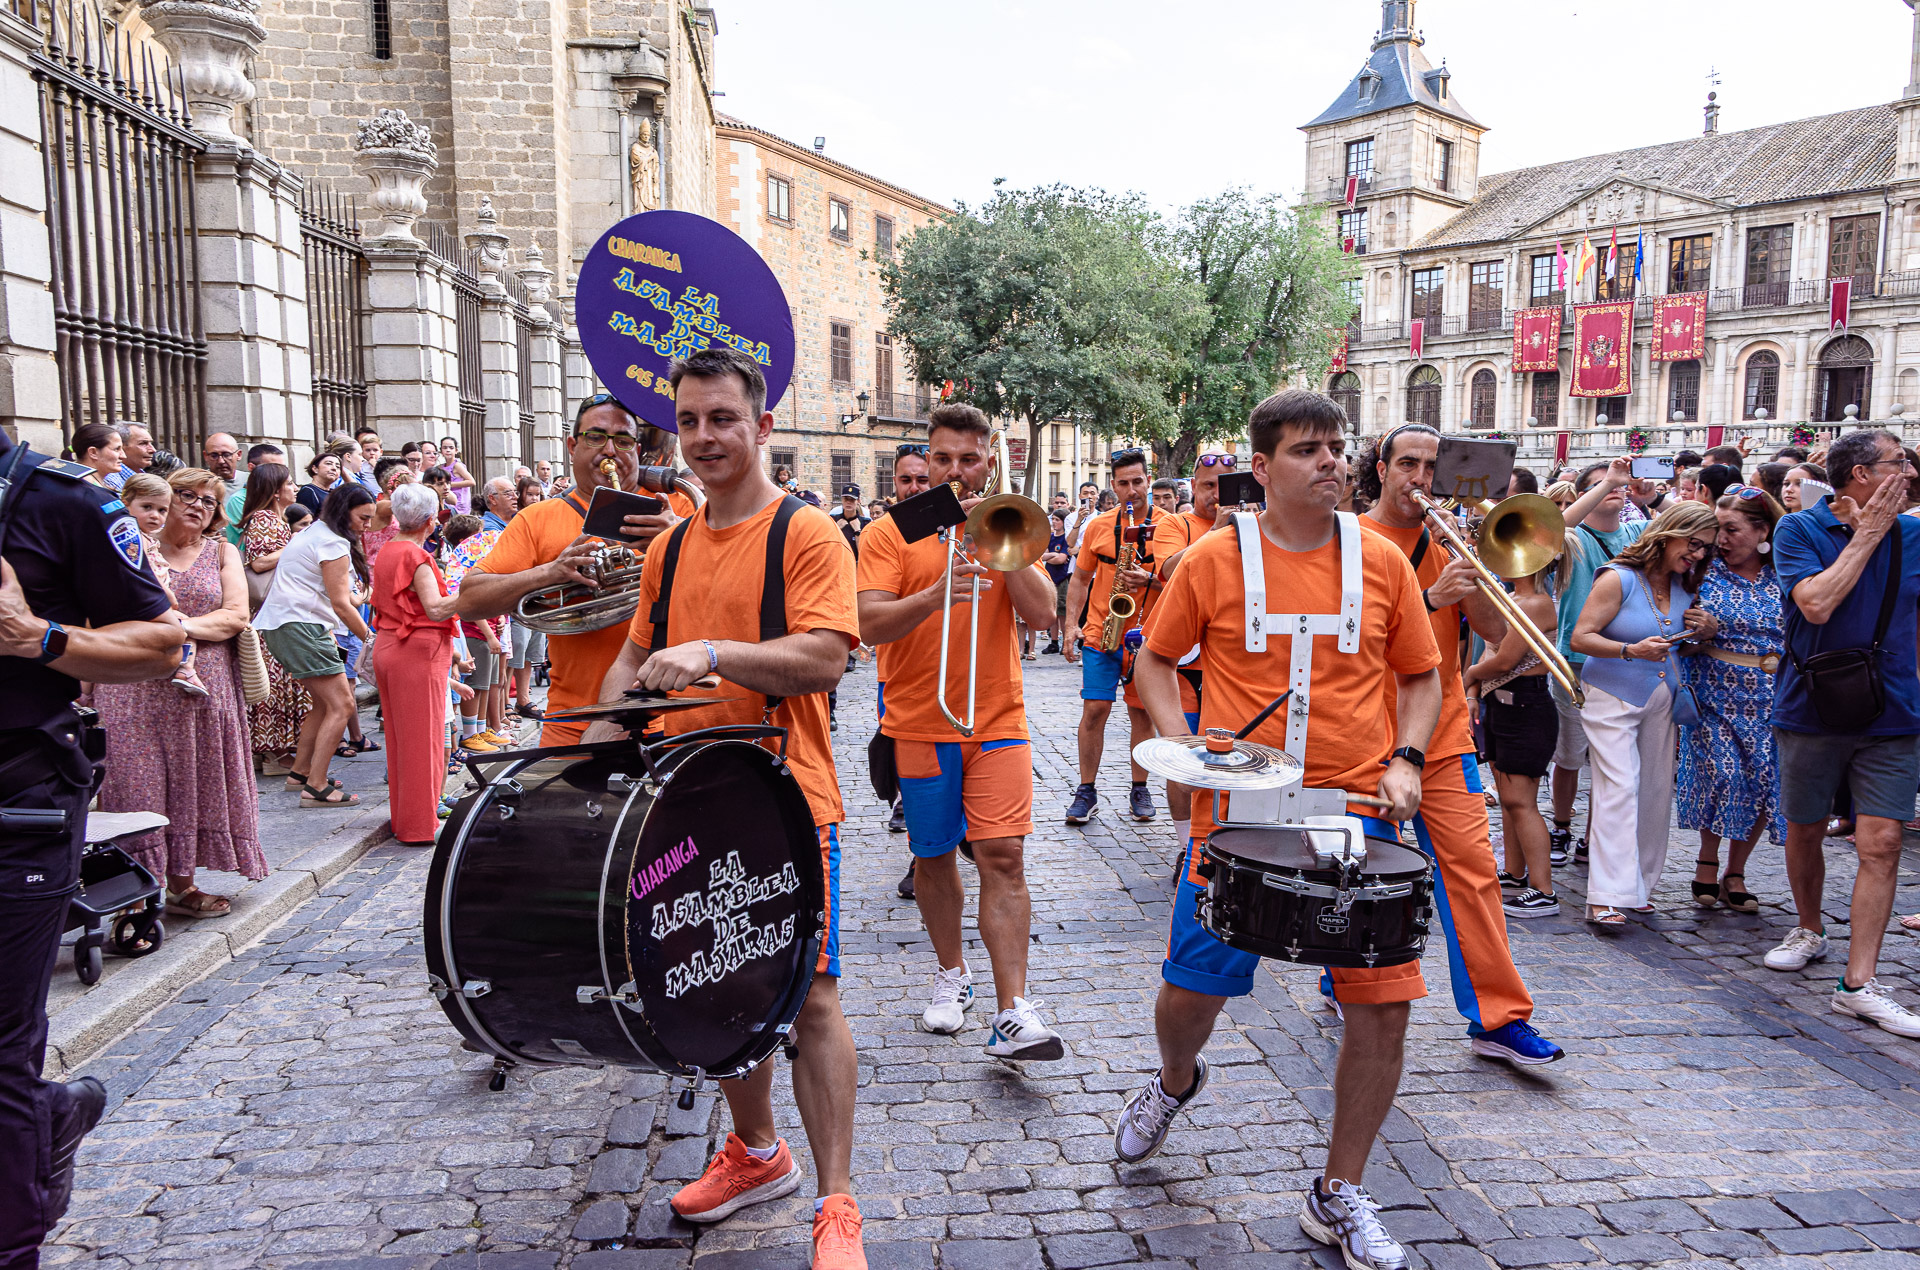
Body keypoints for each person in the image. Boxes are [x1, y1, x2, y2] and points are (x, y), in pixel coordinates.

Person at [1118, 388, 1440, 1270]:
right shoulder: (1213, 561)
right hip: (1238, 818)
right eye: (1307, 449)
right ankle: (1176, 1081)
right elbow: (1151, 656)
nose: (1331, 461)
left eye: (1337, 446)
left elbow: (1419, 676)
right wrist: (1177, 742)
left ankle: (1337, 1191)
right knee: (1193, 995)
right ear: (1262, 469)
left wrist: (1407, 757)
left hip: (1356, 819)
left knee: (1385, 1009)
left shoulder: (1384, 562)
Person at [582, 346, 867, 1268]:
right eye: (692, 421)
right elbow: (635, 654)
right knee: (717, 987)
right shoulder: (668, 546)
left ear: (762, 427)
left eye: (723, 419)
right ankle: (755, 1153)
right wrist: (602, 733)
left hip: (786, 802)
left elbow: (825, 656)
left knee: (809, 998)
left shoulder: (806, 534)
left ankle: (837, 1204)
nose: (705, 437)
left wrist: (715, 651)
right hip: (684, 801)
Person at [0, 425, 183, 1268]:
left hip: (17, 808)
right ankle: (53, 1115)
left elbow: (160, 644)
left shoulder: (58, 500)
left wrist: (35, 638)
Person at [858, 403, 1066, 1062]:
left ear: (987, 462)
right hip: (918, 723)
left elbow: (1044, 616)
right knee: (933, 857)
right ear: (928, 460)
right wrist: (933, 595)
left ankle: (1013, 1010)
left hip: (998, 720)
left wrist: (1001, 546)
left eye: (969, 459)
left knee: (1003, 855)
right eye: (943, 459)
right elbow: (869, 624)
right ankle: (953, 974)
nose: (956, 471)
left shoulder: (1000, 524)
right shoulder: (894, 532)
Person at [1356, 425, 1560, 1064]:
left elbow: (1500, 634)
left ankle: (1500, 1017)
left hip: (1442, 735)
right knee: (1368, 877)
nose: (1419, 478)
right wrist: (1424, 598)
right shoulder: (1350, 540)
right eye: (1407, 464)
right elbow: (1348, 638)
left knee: (1473, 874)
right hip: (1364, 735)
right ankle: (1350, 981)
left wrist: (1481, 577)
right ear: (1382, 469)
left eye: (1430, 467)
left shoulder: (1449, 543)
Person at [1761, 430, 1920, 1036]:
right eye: (1895, 464)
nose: (1907, 473)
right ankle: (1808, 925)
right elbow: (1818, 605)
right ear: (1858, 474)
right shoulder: (1798, 530)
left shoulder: (1915, 535)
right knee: (1802, 827)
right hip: (1813, 706)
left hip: (1894, 712)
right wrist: (1868, 536)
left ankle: (1858, 983)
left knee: (1881, 842)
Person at [458, 394, 683, 746]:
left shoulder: (673, 508)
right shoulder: (538, 518)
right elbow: (470, 600)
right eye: (596, 437)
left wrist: (679, 537)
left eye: (623, 440)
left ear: (637, 450)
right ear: (572, 446)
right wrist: (550, 572)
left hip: (673, 720)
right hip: (572, 720)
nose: (610, 451)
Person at [93, 467, 262, 921]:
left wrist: (174, 628)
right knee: (135, 786)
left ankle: (182, 883)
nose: (197, 505)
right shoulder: (127, 549)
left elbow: (234, 617)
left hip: (201, 691)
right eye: (185, 494)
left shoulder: (221, 552)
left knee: (195, 783)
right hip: (132, 688)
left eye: (208, 500)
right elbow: (99, 615)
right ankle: (132, 895)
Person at [1569, 501, 1718, 929]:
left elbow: (1678, 644)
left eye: (1705, 548)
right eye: (1693, 544)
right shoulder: (1619, 578)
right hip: (1611, 691)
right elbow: (1580, 636)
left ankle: (1638, 886)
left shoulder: (1685, 584)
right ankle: (1605, 895)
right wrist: (1627, 650)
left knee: (1654, 792)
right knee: (1618, 786)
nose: (1698, 554)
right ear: (1669, 533)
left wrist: (1702, 633)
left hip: (1662, 695)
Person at [1061, 449, 1195, 824]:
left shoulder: (1170, 525)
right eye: (1124, 483)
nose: (1132, 490)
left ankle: (1140, 787)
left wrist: (1151, 579)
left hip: (1149, 635)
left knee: (1142, 714)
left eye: (1138, 482)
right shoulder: (1100, 526)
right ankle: (1086, 790)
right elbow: (1081, 579)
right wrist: (1072, 625)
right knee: (1094, 710)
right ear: (1113, 486)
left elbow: (1182, 581)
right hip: (1103, 631)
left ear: (1148, 481)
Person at [1677, 487, 1786, 914]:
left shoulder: (1784, 571)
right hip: (1712, 690)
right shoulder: (1702, 573)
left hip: (1770, 693)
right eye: (1717, 529)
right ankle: (1707, 860)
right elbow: (1674, 636)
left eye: (1732, 529)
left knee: (1761, 783)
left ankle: (1735, 871)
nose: (1721, 539)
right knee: (1723, 775)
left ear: (1762, 531)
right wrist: (1698, 634)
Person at [1545, 458, 1647, 864]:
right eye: (1602, 485)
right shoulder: (1574, 539)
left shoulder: (1637, 532)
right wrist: (1606, 484)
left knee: (1611, 759)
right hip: (1575, 659)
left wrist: (1644, 492)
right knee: (1569, 755)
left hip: (1625, 661)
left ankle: (1593, 836)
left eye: (1619, 485)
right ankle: (1562, 825)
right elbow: (1555, 529)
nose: (1617, 488)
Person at [252, 484, 377, 807]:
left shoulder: (314, 534)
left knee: (324, 705)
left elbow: (341, 596)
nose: (367, 525)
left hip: (288, 624)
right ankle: (317, 787)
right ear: (344, 510)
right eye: (363, 517)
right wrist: (370, 638)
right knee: (343, 705)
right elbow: (340, 603)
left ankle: (301, 773)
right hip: (301, 626)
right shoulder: (332, 541)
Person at [1466, 550, 1561, 917]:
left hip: (1527, 708)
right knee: (1509, 800)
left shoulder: (1537, 603)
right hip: (1505, 707)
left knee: (1522, 802)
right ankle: (1515, 874)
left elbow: (1505, 661)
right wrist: (1475, 689)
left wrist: (1471, 677)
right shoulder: (1513, 597)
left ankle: (1544, 890)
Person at [368, 484, 460, 844]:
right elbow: (435, 608)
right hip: (416, 651)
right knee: (424, 739)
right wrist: (468, 593)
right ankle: (419, 826)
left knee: (402, 739)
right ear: (431, 519)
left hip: (393, 647)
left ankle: (406, 819)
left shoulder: (390, 549)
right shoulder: (416, 557)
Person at [237, 462, 310, 771]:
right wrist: (295, 545)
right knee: (277, 683)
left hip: (275, 610)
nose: (295, 488)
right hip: (271, 612)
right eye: (290, 483)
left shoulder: (270, 519)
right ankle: (276, 752)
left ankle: (273, 750)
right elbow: (259, 563)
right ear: (276, 490)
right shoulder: (266, 520)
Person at [224, 443, 285, 545]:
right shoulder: (238, 500)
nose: (282, 474)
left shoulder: (281, 495)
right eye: (273, 468)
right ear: (251, 468)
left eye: (283, 468)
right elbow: (263, 541)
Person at [1041, 513, 1071, 655]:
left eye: (1057, 520)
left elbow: (1061, 559)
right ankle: (1054, 642)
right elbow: (1042, 556)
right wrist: (1053, 555)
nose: (1054, 522)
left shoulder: (1066, 538)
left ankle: (1066, 641)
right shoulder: (1050, 538)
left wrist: (1052, 556)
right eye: (1053, 519)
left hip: (1062, 577)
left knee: (1062, 612)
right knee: (1052, 612)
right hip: (1050, 577)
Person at [103, 422, 155, 492]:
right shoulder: (111, 481)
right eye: (143, 443)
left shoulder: (143, 477)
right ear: (120, 446)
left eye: (150, 443)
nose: (153, 450)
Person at [68, 422, 123, 487]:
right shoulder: (85, 489)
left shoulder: (92, 485)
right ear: (93, 452)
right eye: (116, 449)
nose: (123, 456)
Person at [296, 449, 345, 515]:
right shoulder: (309, 491)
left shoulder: (335, 493)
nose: (334, 468)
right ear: (315, 469)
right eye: (328, 464)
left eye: (338, 467)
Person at [439, 436, 476, 513]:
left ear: (456, 450)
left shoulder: (457, 465)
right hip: (447, 502)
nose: (448, 450)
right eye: (445, 448)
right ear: (441, 451)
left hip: (459, 504)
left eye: (451, 448)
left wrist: (449, 484)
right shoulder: (440, 467)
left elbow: (471, 481)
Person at [201, 432, 243, 498]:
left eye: (226, 455)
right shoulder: (199, 485)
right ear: (205, 456)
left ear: (239, 454)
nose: (221, 461)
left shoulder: (251, 481)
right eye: (214, 456)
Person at [832, 484, 868, 557]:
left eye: (852, 499)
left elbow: (865, 553)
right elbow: (828, 547)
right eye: (846, 499)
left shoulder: (866, 522)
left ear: (858, 501)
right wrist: (836, 529)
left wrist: (858, 532)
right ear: (842, 500)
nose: (848, 502)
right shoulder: (833, 520)